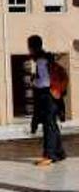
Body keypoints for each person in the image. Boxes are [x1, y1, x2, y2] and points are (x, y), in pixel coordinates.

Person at [28, 35, 66, 166]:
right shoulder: (47, 58)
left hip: (47, 97)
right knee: (53, 125)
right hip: (55, 96)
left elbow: (44, 82)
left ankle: (49, 155)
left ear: (32, 47)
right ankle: (59, 152)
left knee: (48, 126)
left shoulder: (40, 60)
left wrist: (34, 81)